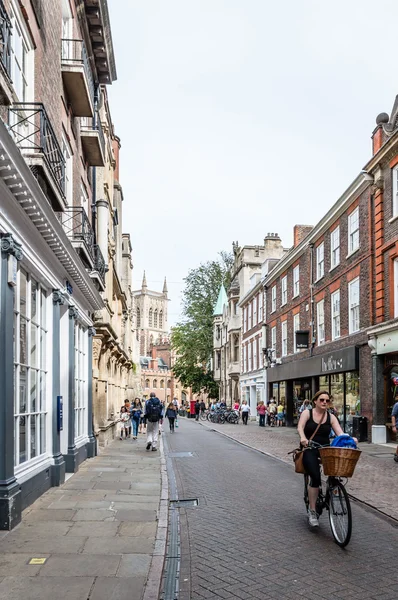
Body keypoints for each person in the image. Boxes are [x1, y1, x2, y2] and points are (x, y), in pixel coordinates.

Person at [297, 390, 346, 528]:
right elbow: (300, 427)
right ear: (315, 401)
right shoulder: (308, 413)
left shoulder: (331, 417)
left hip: (325, 449)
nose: (325, 402)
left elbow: (340, 433)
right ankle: (312, 511)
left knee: (335, 471)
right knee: (316, 477)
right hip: (309, 447)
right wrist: (303, 438)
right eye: (322, 400)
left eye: (327, 400)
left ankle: (333, 488)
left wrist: (349, 439)